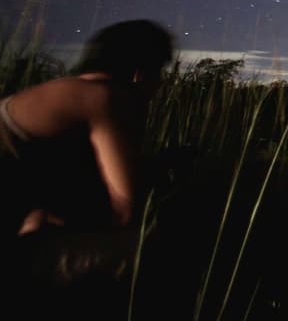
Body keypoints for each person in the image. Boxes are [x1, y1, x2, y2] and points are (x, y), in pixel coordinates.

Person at [0, 19, 175, 304]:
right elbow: (124, 209)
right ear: (139, 74)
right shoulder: (105, 98)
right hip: (15, 255)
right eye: (161, 73)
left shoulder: (55, 92)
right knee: (152, 246)